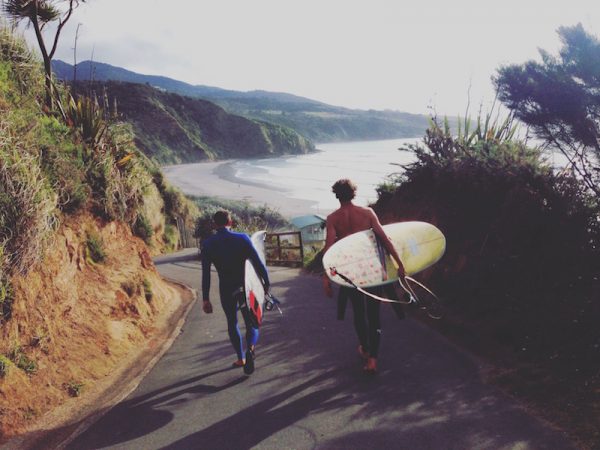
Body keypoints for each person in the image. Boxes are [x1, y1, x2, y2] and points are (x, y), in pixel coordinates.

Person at [322, 179, 406, 374]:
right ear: (354, 193)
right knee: (373, 316)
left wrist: (326, 278)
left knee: (359, 313)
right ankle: (373, 360)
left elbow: (329, 248)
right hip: (371, 270)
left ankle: (365, 349)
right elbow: (385, 239)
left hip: (351, 272)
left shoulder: (333, 218)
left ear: (336, 195)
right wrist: (399, 264)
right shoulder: (367, 213)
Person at [201, 210, 270, 375]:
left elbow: (205, 274)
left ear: (215, 224)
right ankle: (251, 349)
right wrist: (266, 283)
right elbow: (258, 263)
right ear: (230, 223)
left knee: (232, 322)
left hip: (226, 288)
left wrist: (205, 298)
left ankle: (240, 358)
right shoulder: (242, 238)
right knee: (251, 321)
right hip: (245, 286)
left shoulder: (208, 244)